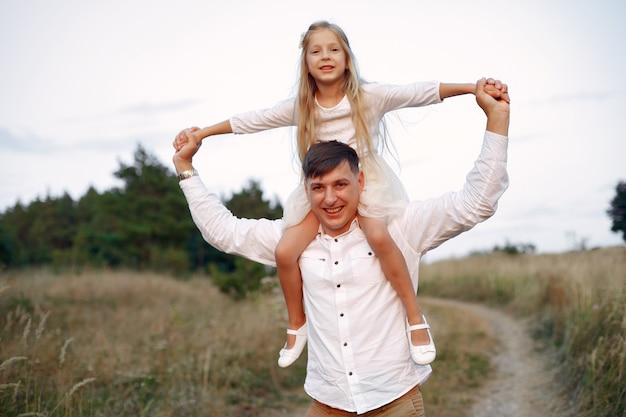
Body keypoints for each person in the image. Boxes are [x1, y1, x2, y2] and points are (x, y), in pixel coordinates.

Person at [173, 20, 508, 368]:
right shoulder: (301, 107)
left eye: (334, 49)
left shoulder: (368, 97)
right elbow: (252, 120)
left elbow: (419, 92)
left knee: (378, 235)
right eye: (315, 51)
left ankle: (414, 316)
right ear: (306, 63)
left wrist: (474, 88)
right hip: (325, 184)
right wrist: (204, 134)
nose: (325, 56)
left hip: (368, 184)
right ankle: (295, 324)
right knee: (286, 250)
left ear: (347, 59)